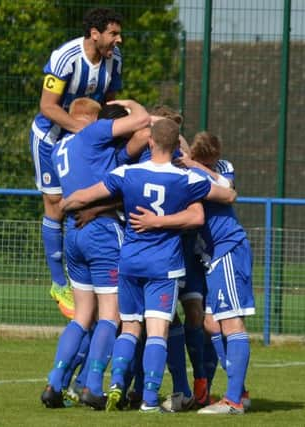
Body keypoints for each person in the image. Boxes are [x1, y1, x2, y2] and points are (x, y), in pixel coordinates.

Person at [60, 119, 237, 413]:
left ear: (151, 142)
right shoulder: (186, 179)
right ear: (175, 146)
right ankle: (150, 400)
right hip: (163, 265)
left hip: (129, 263)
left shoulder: (127, 172)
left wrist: (61, 207)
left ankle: (117, 384)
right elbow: (226, 195)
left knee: (129, 327)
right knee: (157, 332)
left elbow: (85, 195)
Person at [130, 131, 254, 415]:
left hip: (227, 250)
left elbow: (229, 192)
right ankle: (238, 391)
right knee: (211, 323)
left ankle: (234, 400)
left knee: (232, 323)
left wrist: (155, 221)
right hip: (212, 256)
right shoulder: (183, 175)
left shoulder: (198, 175)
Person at [40, 98, 150, 410]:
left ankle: (54, 382)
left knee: (82, 315)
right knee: (110, 316)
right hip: (103, 232)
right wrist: (129, 104)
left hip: (72, 233)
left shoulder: (61, 148)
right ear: (89, 119)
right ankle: (92, 385)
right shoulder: (92, 134)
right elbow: (141, 123)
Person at [29, 8, 123, 319]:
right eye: (113, 33)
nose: (118, 39)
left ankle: (95, 274)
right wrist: (83, 131)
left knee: (94, 197)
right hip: (50, 138)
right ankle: (59, 283)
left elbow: (109, 102)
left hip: (87, 141)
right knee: (56, 205)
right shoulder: (65, 57)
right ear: (94, 33)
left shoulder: (115, 60)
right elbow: (47, 107)